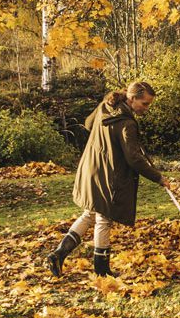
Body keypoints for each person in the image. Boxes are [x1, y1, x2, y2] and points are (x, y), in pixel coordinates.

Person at [46, 80, 170, 278]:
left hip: (91, 167)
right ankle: (102, 271)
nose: (146, 108)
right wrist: (158, 178)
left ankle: (58, 254)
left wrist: (105, 140)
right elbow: (134, 158)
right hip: (107, 173)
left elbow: (88, 124)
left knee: (91, 213)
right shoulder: (127, 123)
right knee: (104, 218)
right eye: (144, 104)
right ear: (132, 98)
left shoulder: (106, 105)